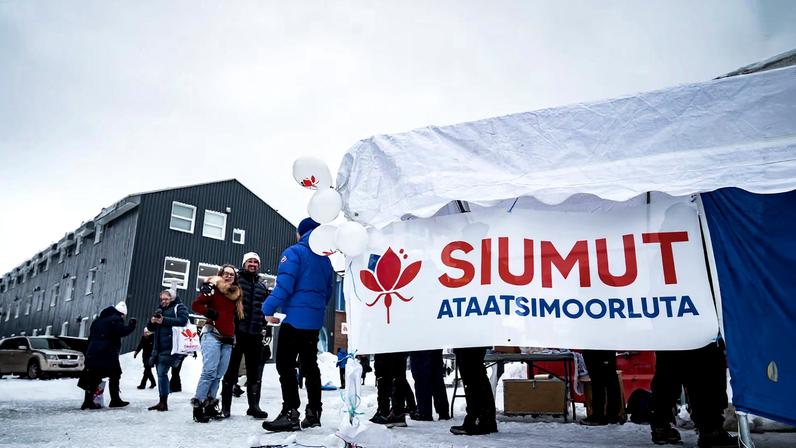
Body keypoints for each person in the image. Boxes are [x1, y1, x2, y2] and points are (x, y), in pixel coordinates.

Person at [261, 217, 334, 432]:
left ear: (301, 233)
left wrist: (267, 309)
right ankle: (314, 413)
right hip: (313, 321)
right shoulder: (325, 260)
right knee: (310, 366)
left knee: (285, 365)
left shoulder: (293, 253)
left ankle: (290, 412)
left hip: (294, 320)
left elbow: (284, 287)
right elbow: (328, 292)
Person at [649, 340, 737, 447]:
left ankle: (660, 424)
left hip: (669, 333)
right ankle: (710, 430)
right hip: (700, 334)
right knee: (705, 367)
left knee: (668, 367)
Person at [191, 264, 244, 423]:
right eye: (225, 274)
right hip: (212, 334)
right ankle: (198, 406)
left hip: (228, 339)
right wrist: (208, 312)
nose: (228, 276)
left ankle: (210, 405)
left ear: (235, 278)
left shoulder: (235, 295)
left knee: (218, 375)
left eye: (231, 275)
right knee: (209, 372)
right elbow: (196, 305)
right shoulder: (212, 289)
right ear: (220, 275)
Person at [220, 252, 270, 419]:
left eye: (256, 261)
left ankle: (254, 406)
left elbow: (266, 310)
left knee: (254, 372)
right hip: (237, 332)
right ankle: (226, 407)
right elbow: (218, 286)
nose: (253, 264)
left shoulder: (263, 286)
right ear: (244, 263)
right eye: (250, 261)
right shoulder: (235, 280)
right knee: (231, 370)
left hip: (255, 333)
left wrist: (266, 326)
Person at [80, 301, 137, 409]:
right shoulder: (115, 319)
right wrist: (132, 325)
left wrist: (87, 352)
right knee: (115, 374)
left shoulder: (97, 321)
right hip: (107, 352)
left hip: (93, 352)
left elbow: (91, 337)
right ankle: (115, 400)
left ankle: (87, 401)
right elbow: (121, 331)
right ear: (122, 313)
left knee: (93, 376)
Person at [146, 288, 189, 411]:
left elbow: (183, 320)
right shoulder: (159, 310)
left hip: (172, 347)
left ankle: (163, 402)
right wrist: (152, 321)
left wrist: (163, 320)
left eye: (166, 299)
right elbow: (151, 328)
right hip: (159, 347)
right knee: (161, 374)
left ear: (173, 298)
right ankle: (162, 401)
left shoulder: (180, 307)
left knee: (162, 373)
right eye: (162, 299)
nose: (163, 301)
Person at [449, 347, 497, 435]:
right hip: (474, 343)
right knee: (478, 374)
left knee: (471, 376)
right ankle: (487, 421)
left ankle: (475, 421)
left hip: (468, 344)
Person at [581, 349, 624, 425]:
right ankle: (609, 415)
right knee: (600, 381)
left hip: (600, 350)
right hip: (598, 350)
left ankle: (603, 415)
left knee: (601, 382)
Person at [370, 352, 412, 427]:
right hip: (399, 349)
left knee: (384, 377)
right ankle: (398, 413)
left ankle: (383, 413)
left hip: (384, 350)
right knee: (399, 377)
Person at [409, 349, 451, 421]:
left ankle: (424, 412)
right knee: (437, 377)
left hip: (419, 345)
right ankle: (443, 411)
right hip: (434, 344)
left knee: (421, 377)